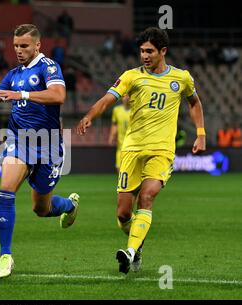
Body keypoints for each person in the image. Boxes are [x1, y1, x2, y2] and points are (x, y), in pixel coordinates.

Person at [76, 27, 206, 274]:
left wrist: (201, 134)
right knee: (124, 213)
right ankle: (137, 243)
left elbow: (194, 102)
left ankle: (131, 252)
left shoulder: (182, 78)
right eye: (142, 51)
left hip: (162, 151)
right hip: (132, 150)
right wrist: (90, 115)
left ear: (163, 51)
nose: (144, 56)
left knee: (147, 197)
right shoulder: (131, 77)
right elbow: (107, 99)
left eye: (150, 51)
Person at [0, 24, 80, 279]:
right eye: (16, 45)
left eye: (24, 46)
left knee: (41, 209)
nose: (18, 50)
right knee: (6, 190)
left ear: (38, 45)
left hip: (48, 144)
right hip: (19, 140)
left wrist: (21, 94)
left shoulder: (49, 67)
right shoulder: (13, 73)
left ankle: (69, 206)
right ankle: (5, 255)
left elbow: (58, 95)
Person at [108, 95, 130, 171]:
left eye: (129, 96)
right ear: (122, 98)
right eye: (124, 96)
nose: (127, 98)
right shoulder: (117, 110)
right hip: (121, 146)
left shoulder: (136, 110)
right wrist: (111, 136)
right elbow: (115, 124)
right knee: (119, 168)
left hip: (133, 146)